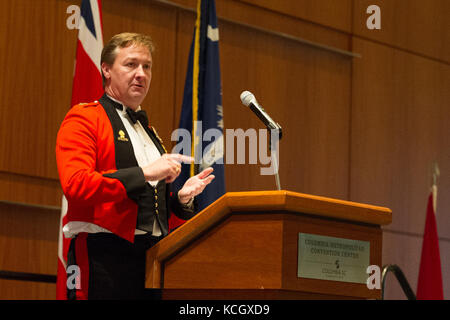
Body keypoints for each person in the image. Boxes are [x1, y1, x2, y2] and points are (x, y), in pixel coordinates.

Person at [56, 32, 215, 300]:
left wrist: (180, 201)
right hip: (104, 254)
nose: (141, 73)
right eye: (131, 64)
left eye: (147, 66)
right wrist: (146, 173)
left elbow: (148, 212)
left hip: (152, 256)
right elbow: (76, 185)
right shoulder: (83, 118)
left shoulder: (149, 132)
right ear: (106, 69)